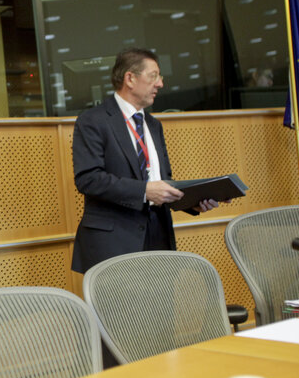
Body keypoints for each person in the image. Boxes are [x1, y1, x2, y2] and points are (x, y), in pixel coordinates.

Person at [71, 48, 218, 274]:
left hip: (158, 238)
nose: (160, 84)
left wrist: (192, 202)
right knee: (120, 310)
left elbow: (161, 181)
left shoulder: (153, 125)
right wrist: (144, 191)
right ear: (130, 78)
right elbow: (88, 179)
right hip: (114, 244)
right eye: (154, 76)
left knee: (161, 309)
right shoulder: (93, 121)